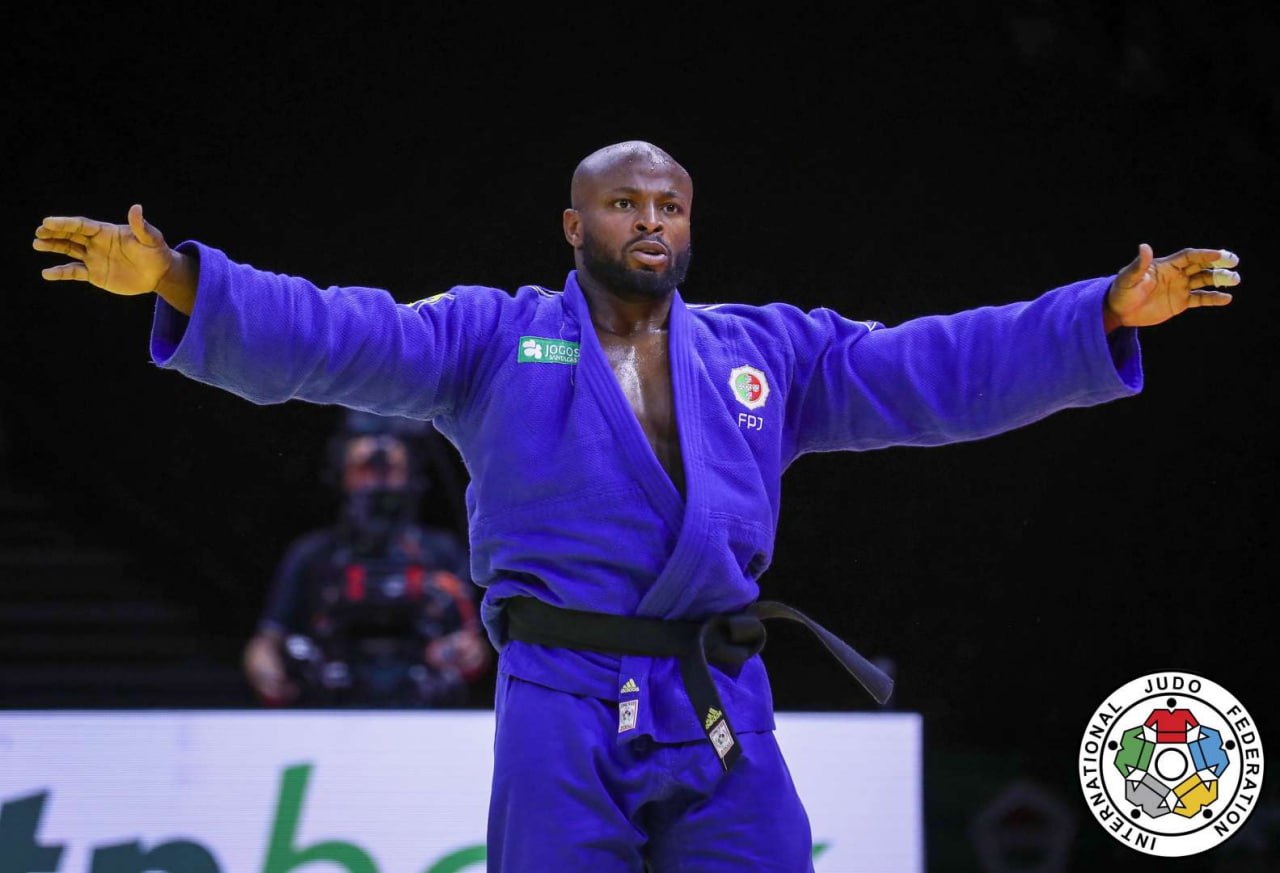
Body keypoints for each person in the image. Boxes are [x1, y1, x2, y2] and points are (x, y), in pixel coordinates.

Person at [32, 140, 1239, 871]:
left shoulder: (767, 353)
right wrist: (181, 280)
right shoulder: (493, 339)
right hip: (560, 692)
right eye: (623, 203)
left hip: (715, 693)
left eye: (668, 205)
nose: (649, 221)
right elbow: (342, 334)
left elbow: (934, 369)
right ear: (574, 225)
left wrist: (1097, 315)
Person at [242, 411, 489, 709]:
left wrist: (465, 653)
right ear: (342, 474)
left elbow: (473, 644)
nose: (377, 483)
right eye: (364, 468)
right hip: (329, 710)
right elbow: (267, 641)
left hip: (422, 712)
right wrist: (266, 668)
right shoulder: (312, 554)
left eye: (390, 470)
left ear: (410, 475)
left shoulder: (441, 552)